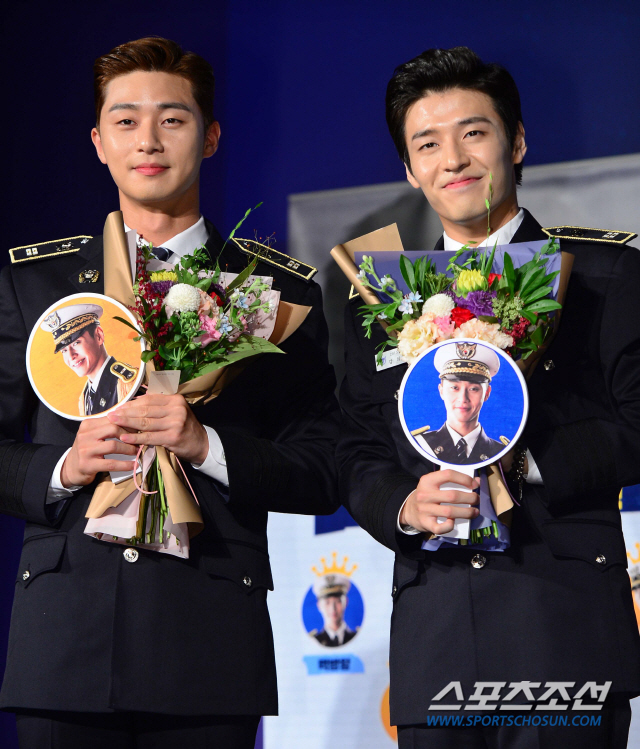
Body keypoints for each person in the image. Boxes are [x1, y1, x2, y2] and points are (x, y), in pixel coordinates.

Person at [0, 37, 339, 749]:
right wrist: (64, 466)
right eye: (125, 121)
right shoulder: (34, 285)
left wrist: (205, 444)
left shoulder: (275, 294)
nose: (148, 140)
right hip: (65, 645)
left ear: (210, 137)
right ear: (99, 142)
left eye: (173, 119)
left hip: (208, 640)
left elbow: (320, 469)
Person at [337, 46, 640, 748]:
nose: (454, 159)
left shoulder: (603, 274)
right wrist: (402, 504)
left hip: (563, 630)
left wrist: (521, 461)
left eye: (474, 133)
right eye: (427, 144)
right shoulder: (380, 297)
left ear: (517, 141)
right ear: (409, 169)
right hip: (437, 636)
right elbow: (354, 446)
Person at [414, 341, 502, 464]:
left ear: (487, 393)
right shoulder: (421, 444)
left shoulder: (501, 452)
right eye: (455, 387)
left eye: (473, 389)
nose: (463, 398)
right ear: (441, 391)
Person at [41, 303, 138, 416]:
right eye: (64, 350)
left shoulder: (126, 384)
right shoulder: (84, 398)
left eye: (76, 343)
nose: (71, 356)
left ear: (99, 336)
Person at [311, 573, 358, 647]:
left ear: (346, 602)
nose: (333, 608)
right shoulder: (314, 641)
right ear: (319, 605)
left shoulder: (357, 638)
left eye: (338, 601)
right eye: (327, 603)